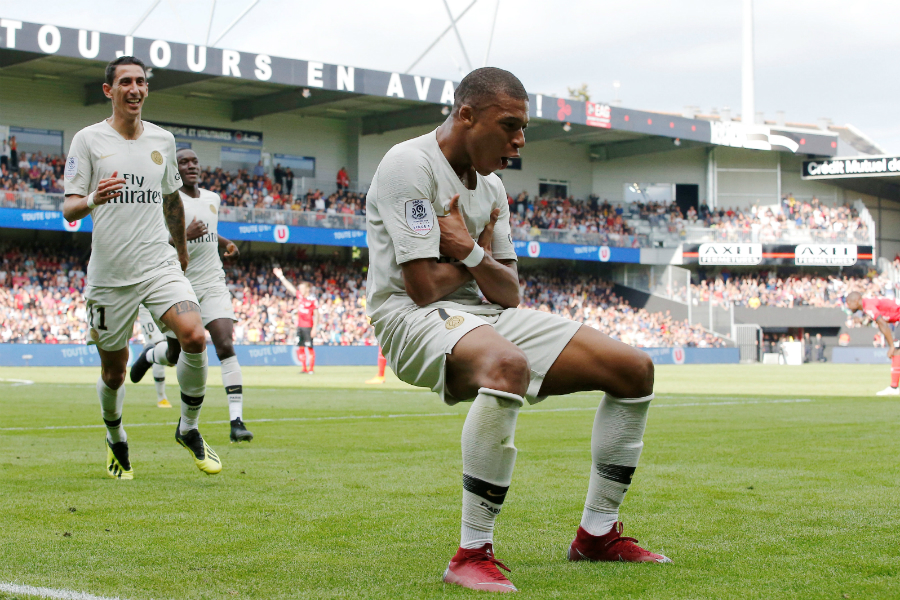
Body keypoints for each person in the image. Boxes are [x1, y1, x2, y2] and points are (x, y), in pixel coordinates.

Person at [365, 67, 668, 594]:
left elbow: (508, 291)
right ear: (466, 114)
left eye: (523, 128)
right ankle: (471, 553)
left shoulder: (494, 187)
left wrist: (466, 249)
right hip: (409, 319)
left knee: (633, 368)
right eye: (509, 126)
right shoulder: (408, 165)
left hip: (482, 315)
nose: (519, 141)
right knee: (507, 365)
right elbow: (420, 286)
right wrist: (475, 260)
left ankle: (597, 536)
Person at [62, 56, 220, 479]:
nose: (135, 89)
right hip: (110, 276)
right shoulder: (88, 140)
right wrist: (94, 197)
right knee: (113, 372)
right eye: (126, 82)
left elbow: (172, 200)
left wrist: (182, 251)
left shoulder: (163, 141)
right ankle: (115, 437)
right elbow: (69, 209)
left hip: (158, 263)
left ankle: (188, 428)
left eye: (142, 82)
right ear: (108, 90)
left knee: (195, 335)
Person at [130, 148, 253, 442]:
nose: (190, 166)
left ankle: (237, 422)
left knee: (224, 343)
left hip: (212, 281)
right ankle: (152, 354)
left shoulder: (213, 198)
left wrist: (227, 243)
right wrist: (186, 235)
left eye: (194, 161)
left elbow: (209, 230)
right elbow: (161, 243)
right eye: (183, 162)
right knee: (174, 354)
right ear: (175, 168)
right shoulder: (167, 201)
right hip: (179, 283)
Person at [845, 291, 900, 395]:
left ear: (856, 301)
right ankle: (894, 387)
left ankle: (894, 387)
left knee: (897, 350)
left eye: (849, 303)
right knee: (897, 351)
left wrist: (891, 346)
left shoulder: (868, 306)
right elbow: (881, 324)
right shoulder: (868, 306)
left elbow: (883, 323)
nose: (847, 306)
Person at [273, 269, 318, 374]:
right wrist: (281, 277)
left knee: (309, 347)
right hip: (300, 327)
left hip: (308, 327)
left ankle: (311, 369)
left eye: (302, 288)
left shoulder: (312, 299)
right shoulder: (300, 297)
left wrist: (314, 328)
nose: (299, 289)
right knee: (300, 347)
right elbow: (290, 288)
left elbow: (317, 315)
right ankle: (304, 368)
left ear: (307, 289)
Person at [137, 304, 171, 408]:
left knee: (171, 354)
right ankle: (161, 398)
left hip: (166, 303)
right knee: (158, 345)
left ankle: (148, 354)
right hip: (147, 306)